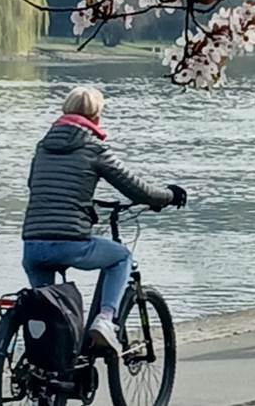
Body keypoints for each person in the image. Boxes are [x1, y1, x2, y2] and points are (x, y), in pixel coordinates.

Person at [21, 86, 187, 354]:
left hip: (32, 245)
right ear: (96, 117)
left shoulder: (42, 147)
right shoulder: (92, 147)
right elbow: (135, 188)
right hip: (70, 242)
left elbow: (35, 186)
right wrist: (168, 196)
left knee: (49, 312)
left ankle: (50, 381)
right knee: (121, 257)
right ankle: (105, 321)